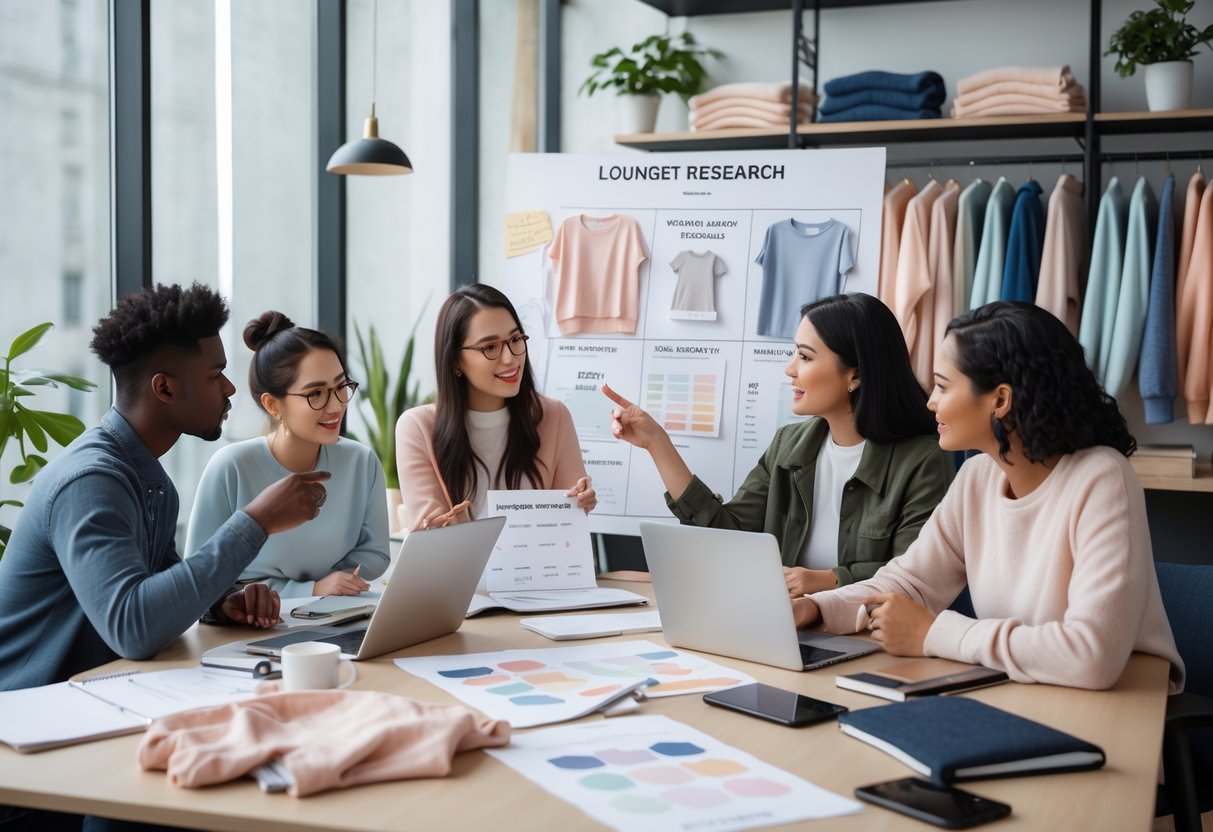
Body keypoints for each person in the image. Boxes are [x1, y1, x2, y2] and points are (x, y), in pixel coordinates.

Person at [0, 284, 328, 831]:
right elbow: (134, 625)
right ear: (165, 388)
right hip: (31, 751)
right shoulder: (93, 481)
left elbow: (160, 589)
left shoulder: (146, 477)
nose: (229, 388)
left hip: (95, 710)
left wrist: (222, 603)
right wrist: (255, 522)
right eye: (215, 373)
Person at [794, 301, 1184, 691]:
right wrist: (816, 608)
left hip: (1121, 705)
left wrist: (934, 634)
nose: (931, 401)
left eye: (943, 386)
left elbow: (1092, 656)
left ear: (999, 400)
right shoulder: (978, 476)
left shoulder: (1102, 479)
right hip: (1021, 690)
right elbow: (910, 582)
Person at [604, 293, 954, 592]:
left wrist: (828, 580)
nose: (790, 369)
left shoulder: (923, 460)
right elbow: (729, 537)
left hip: (867, 637)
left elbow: (912, 577)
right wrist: (657, 444)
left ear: (856, 375)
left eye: (805, 356)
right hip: (783, 626)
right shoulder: (789, 444)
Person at [185, 311, 389, 597]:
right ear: (273, 405)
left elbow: (376, 552)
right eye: (315, 394)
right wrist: (310, 589)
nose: (335, 407)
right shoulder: (231, 467)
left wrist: (336, 583)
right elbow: (197, 576)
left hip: (340, 613)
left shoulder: (361, 462)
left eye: (340, 386)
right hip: (248, 628)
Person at [396, 283, 594, 530]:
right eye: (490, 347)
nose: (510, 358)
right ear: (455, 360)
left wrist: (580, 503)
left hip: (538, 567)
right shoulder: (418, 427)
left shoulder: (554, 417)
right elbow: (435, 539)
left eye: (515, 339)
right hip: (463, 569)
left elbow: (567, 527)